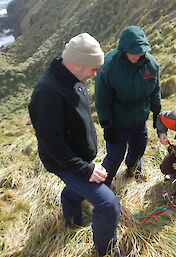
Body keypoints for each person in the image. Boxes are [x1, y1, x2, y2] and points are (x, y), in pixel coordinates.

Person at [28, 33, 120, 256]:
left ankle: (70, 216)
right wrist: (85, 170)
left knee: (75, 193)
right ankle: (105, 252)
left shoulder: (73, 80)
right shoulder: (47, 93)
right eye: (93, 69)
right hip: (64, 162)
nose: (95, 74)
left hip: (80, 158)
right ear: (79, 63)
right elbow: (52, 143)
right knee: (108, 204)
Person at [95, 26, 161, 186]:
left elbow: (155, 90)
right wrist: (107, 125)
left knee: (138, 150)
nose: (138, 55)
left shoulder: (150, 65)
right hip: (118, 122)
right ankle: (101, 187)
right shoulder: (108, 67)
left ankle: (132, 170)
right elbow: (102, 99)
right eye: (134, 52)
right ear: (124, 50)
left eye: (141, 51)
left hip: (139, 119)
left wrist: (157, 113)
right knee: (115, 156)